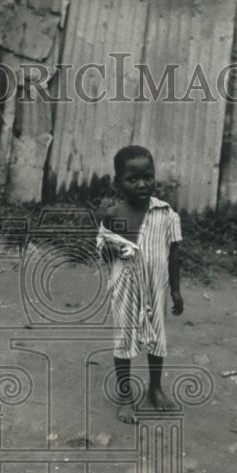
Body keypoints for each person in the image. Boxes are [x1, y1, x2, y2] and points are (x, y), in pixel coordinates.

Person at [96, 145, 183, 423]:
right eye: (132, 179)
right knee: (125, 341)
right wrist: (114, 250)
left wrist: (176, 291)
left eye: (147, 176)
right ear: (117, 182)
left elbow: (175, 252)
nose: (142, 184)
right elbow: (102, 249)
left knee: (157, 338)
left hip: (156, 287)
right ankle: (125, 395)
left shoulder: (167, 215)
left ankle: (155, 388)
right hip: (125, 288)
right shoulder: (114, 215)